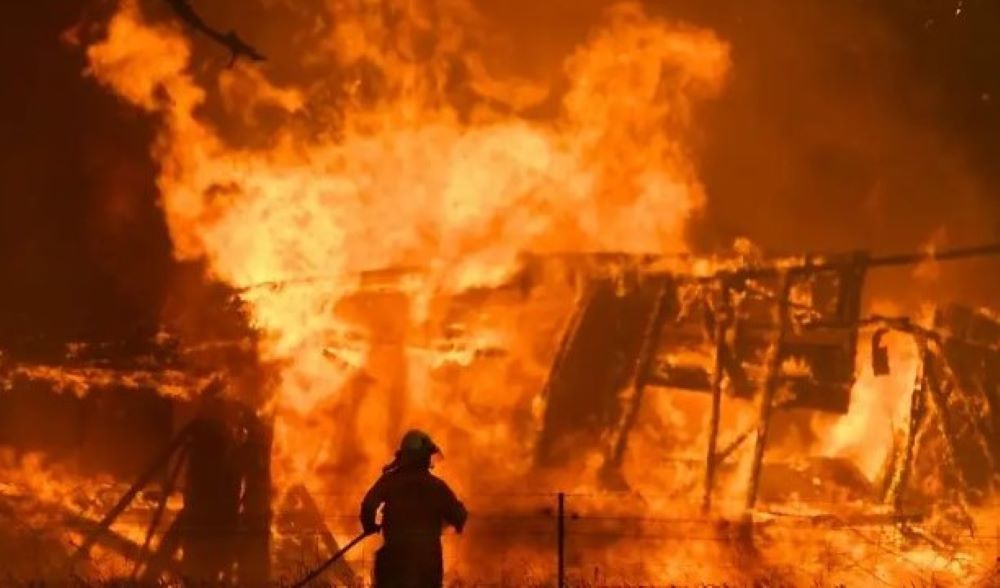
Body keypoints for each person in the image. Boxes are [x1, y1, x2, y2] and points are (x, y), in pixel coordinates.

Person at [360, 430, 467, 588]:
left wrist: (371, 525)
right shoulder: (436, 487)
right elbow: (458, 515)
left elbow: (368, 506)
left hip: (394, 562)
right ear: (424, 457)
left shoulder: (389, 482)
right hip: (426, 566)